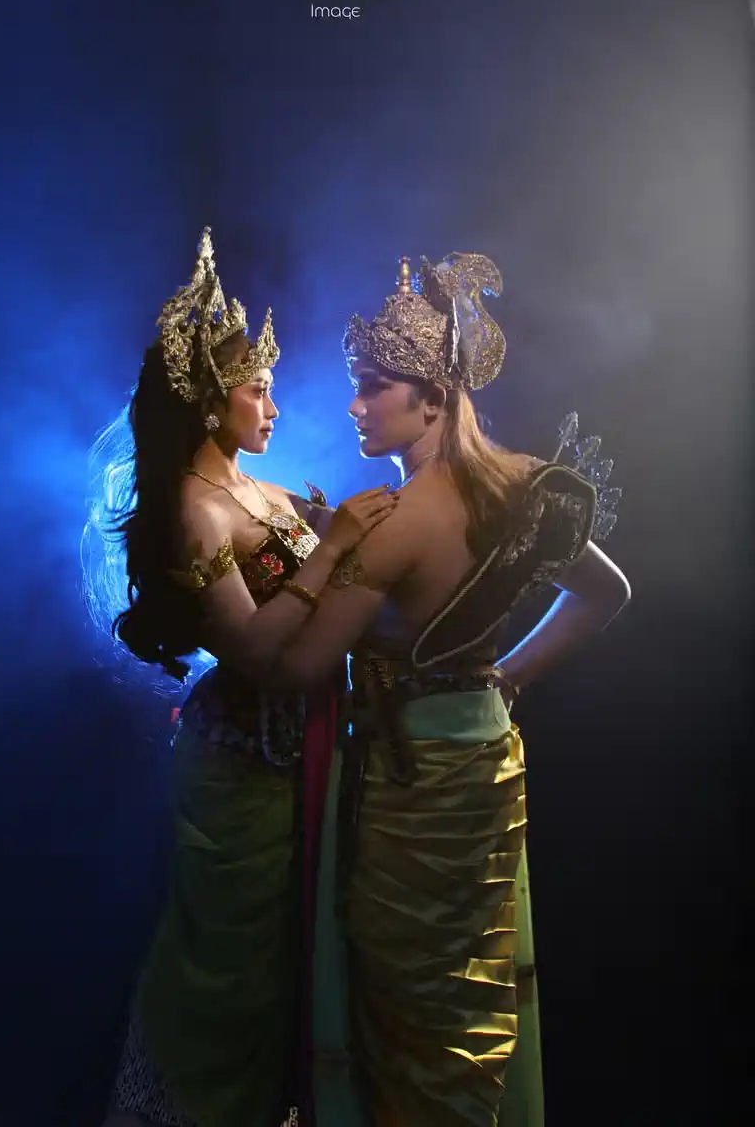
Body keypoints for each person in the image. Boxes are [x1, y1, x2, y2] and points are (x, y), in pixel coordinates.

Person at [241, 250, 631, 1126]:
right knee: (472, 986)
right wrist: (512, 674)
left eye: (372, 387)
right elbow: (608, 594)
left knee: (411, 1004)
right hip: (487, 754)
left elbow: (295, 669)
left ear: (433, 398)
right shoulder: (522, 485)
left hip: (410, 775)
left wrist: (326, 551)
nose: (354, 406)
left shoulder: (394, 525)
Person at [103, 228, 397, 1127]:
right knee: (236, 959)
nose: (273, 407)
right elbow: (255, 653)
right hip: (244, 754)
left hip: (308, 739)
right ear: (208, 402)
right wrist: (334, 549)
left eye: (271, 387)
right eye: (257, 389)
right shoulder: (193, 511)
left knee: (301, 950)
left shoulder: (263, 494)